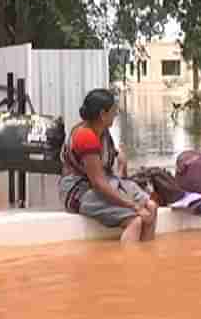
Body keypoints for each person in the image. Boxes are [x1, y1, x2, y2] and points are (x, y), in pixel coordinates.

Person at [59, 89, 159, 241]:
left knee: (151, 207)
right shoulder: (85, 136)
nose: (116, 113)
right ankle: (128, 262)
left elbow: (112, 177)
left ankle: (146, 258)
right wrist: (134, 206)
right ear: (102, 114)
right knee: (135, 220)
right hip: (80, 192)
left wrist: (122, 166)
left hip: (104, 184)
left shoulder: (103, 132)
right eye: (113, 110)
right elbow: (99, 184)